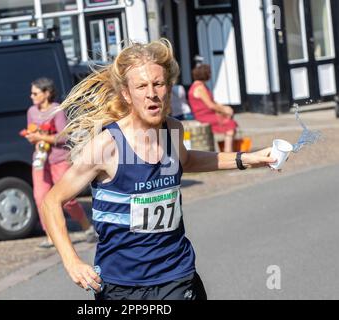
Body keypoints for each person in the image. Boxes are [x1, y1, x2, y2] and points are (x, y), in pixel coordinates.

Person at [40, 40, 276, 299]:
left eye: (158, 84)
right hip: (121, 285)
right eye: (141, 86)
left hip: (176, 274)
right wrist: (72, 261)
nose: (151, 93)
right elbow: (52, 201)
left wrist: (249, 159)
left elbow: (186, 161)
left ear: (168, 88)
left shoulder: (172, 131)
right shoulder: (107, 146)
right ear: (127, 94)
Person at [25, 77, 97, 248]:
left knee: (67, 199)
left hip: (59, 159)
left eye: (35, 93)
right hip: (41, 160)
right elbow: (31, 132)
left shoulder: (57, 110)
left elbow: (64, 136)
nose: (31, 96)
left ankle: (86, 227)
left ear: (47, 93)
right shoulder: (31, 112)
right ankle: (51, 236)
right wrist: (33, 138)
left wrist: (41, 137)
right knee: (40, 197)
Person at [188, 64, 238, 152]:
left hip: (205, 114)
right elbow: (210, 105)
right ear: (205, 74)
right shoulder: (200, 87)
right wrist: (225, 110)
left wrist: (224, 108)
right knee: (230, 125)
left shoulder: (198, 85)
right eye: (209, 73)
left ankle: (228, 151)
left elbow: (213, 102)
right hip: (204, 116)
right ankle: (228, 152)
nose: (210, 75)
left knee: (229, 122)